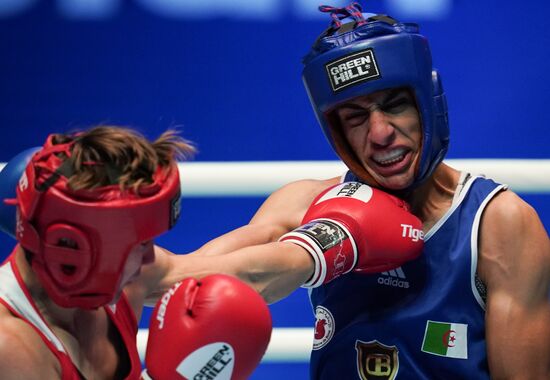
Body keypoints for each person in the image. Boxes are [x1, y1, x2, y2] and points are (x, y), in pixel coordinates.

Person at [174, 2, 550, 379]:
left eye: (395, 105)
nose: (381, 134)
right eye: (355, 117)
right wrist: (141, 275)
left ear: (427, 104)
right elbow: (203, 279)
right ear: (336, 133)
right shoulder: (304, 204)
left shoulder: (498, 225)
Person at [0, 125, 273, 380]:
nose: (149, 257)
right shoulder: (12, 347)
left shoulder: (120, 278)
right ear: (75, 248)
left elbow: (242, 270)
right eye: (138, 244)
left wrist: (309, 237)